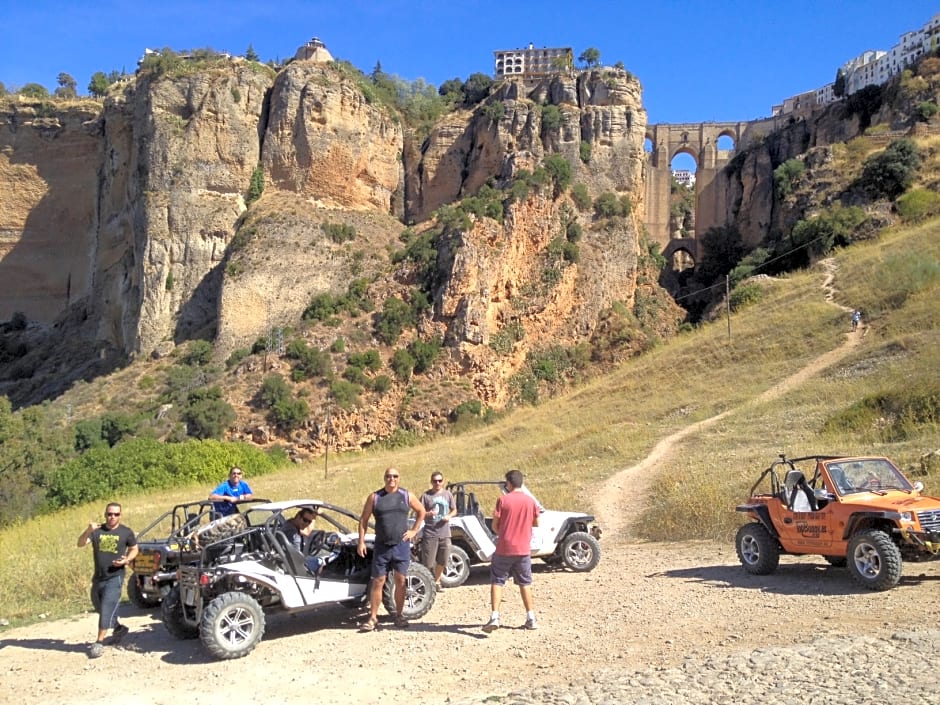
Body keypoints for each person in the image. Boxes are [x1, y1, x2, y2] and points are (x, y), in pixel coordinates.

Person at [357, 467, 426, 631]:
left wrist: (414, 530)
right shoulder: (375, 497)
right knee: (378, 581)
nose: (391, 479)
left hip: (401, 546)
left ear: (399, 478)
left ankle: (399, 615)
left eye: (395, 476)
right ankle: (373, 618)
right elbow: (363, 520)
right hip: (381, 546)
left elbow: (421, 511)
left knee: (401, 581)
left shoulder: (406, 495)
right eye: (388, 476)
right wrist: (361, 541)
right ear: (384, 478)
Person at [77, 502, 139, 659]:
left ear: (120, 515)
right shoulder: (97, 531)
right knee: (100, 607)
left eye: (116, 514)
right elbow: (80, 544)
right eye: (109, 514)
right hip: (98, 577)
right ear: (105, 515)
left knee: (106, 607)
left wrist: (127, 560)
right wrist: (88, 531)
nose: (112, 517)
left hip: (115, 577)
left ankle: (99, 642)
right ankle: (118, 628)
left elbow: (134, 548)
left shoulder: (126, 532)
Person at [483, 469, 540, 633]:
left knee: (497, 581)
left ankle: (495, 616)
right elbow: (536, 522)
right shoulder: (530, 501)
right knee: (525, 582)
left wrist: (504, 532)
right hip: (523, 549)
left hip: (504, 548)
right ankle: (531, 617)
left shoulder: (503, 500)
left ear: (509, 483)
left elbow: (494, 525)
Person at [419, 471, 457, 589]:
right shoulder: (426, 496)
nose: (437, 483)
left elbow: (454, 510)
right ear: (431, 482)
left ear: (443, 481)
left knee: (443, 559)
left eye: (440, 480)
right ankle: (427, 583)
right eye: (435, 481)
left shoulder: (448, 494)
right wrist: (427, 513)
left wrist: (449, 516)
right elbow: (419, 514)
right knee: (428, 562)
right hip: (430, 533)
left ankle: (437, 581)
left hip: (445, 533)